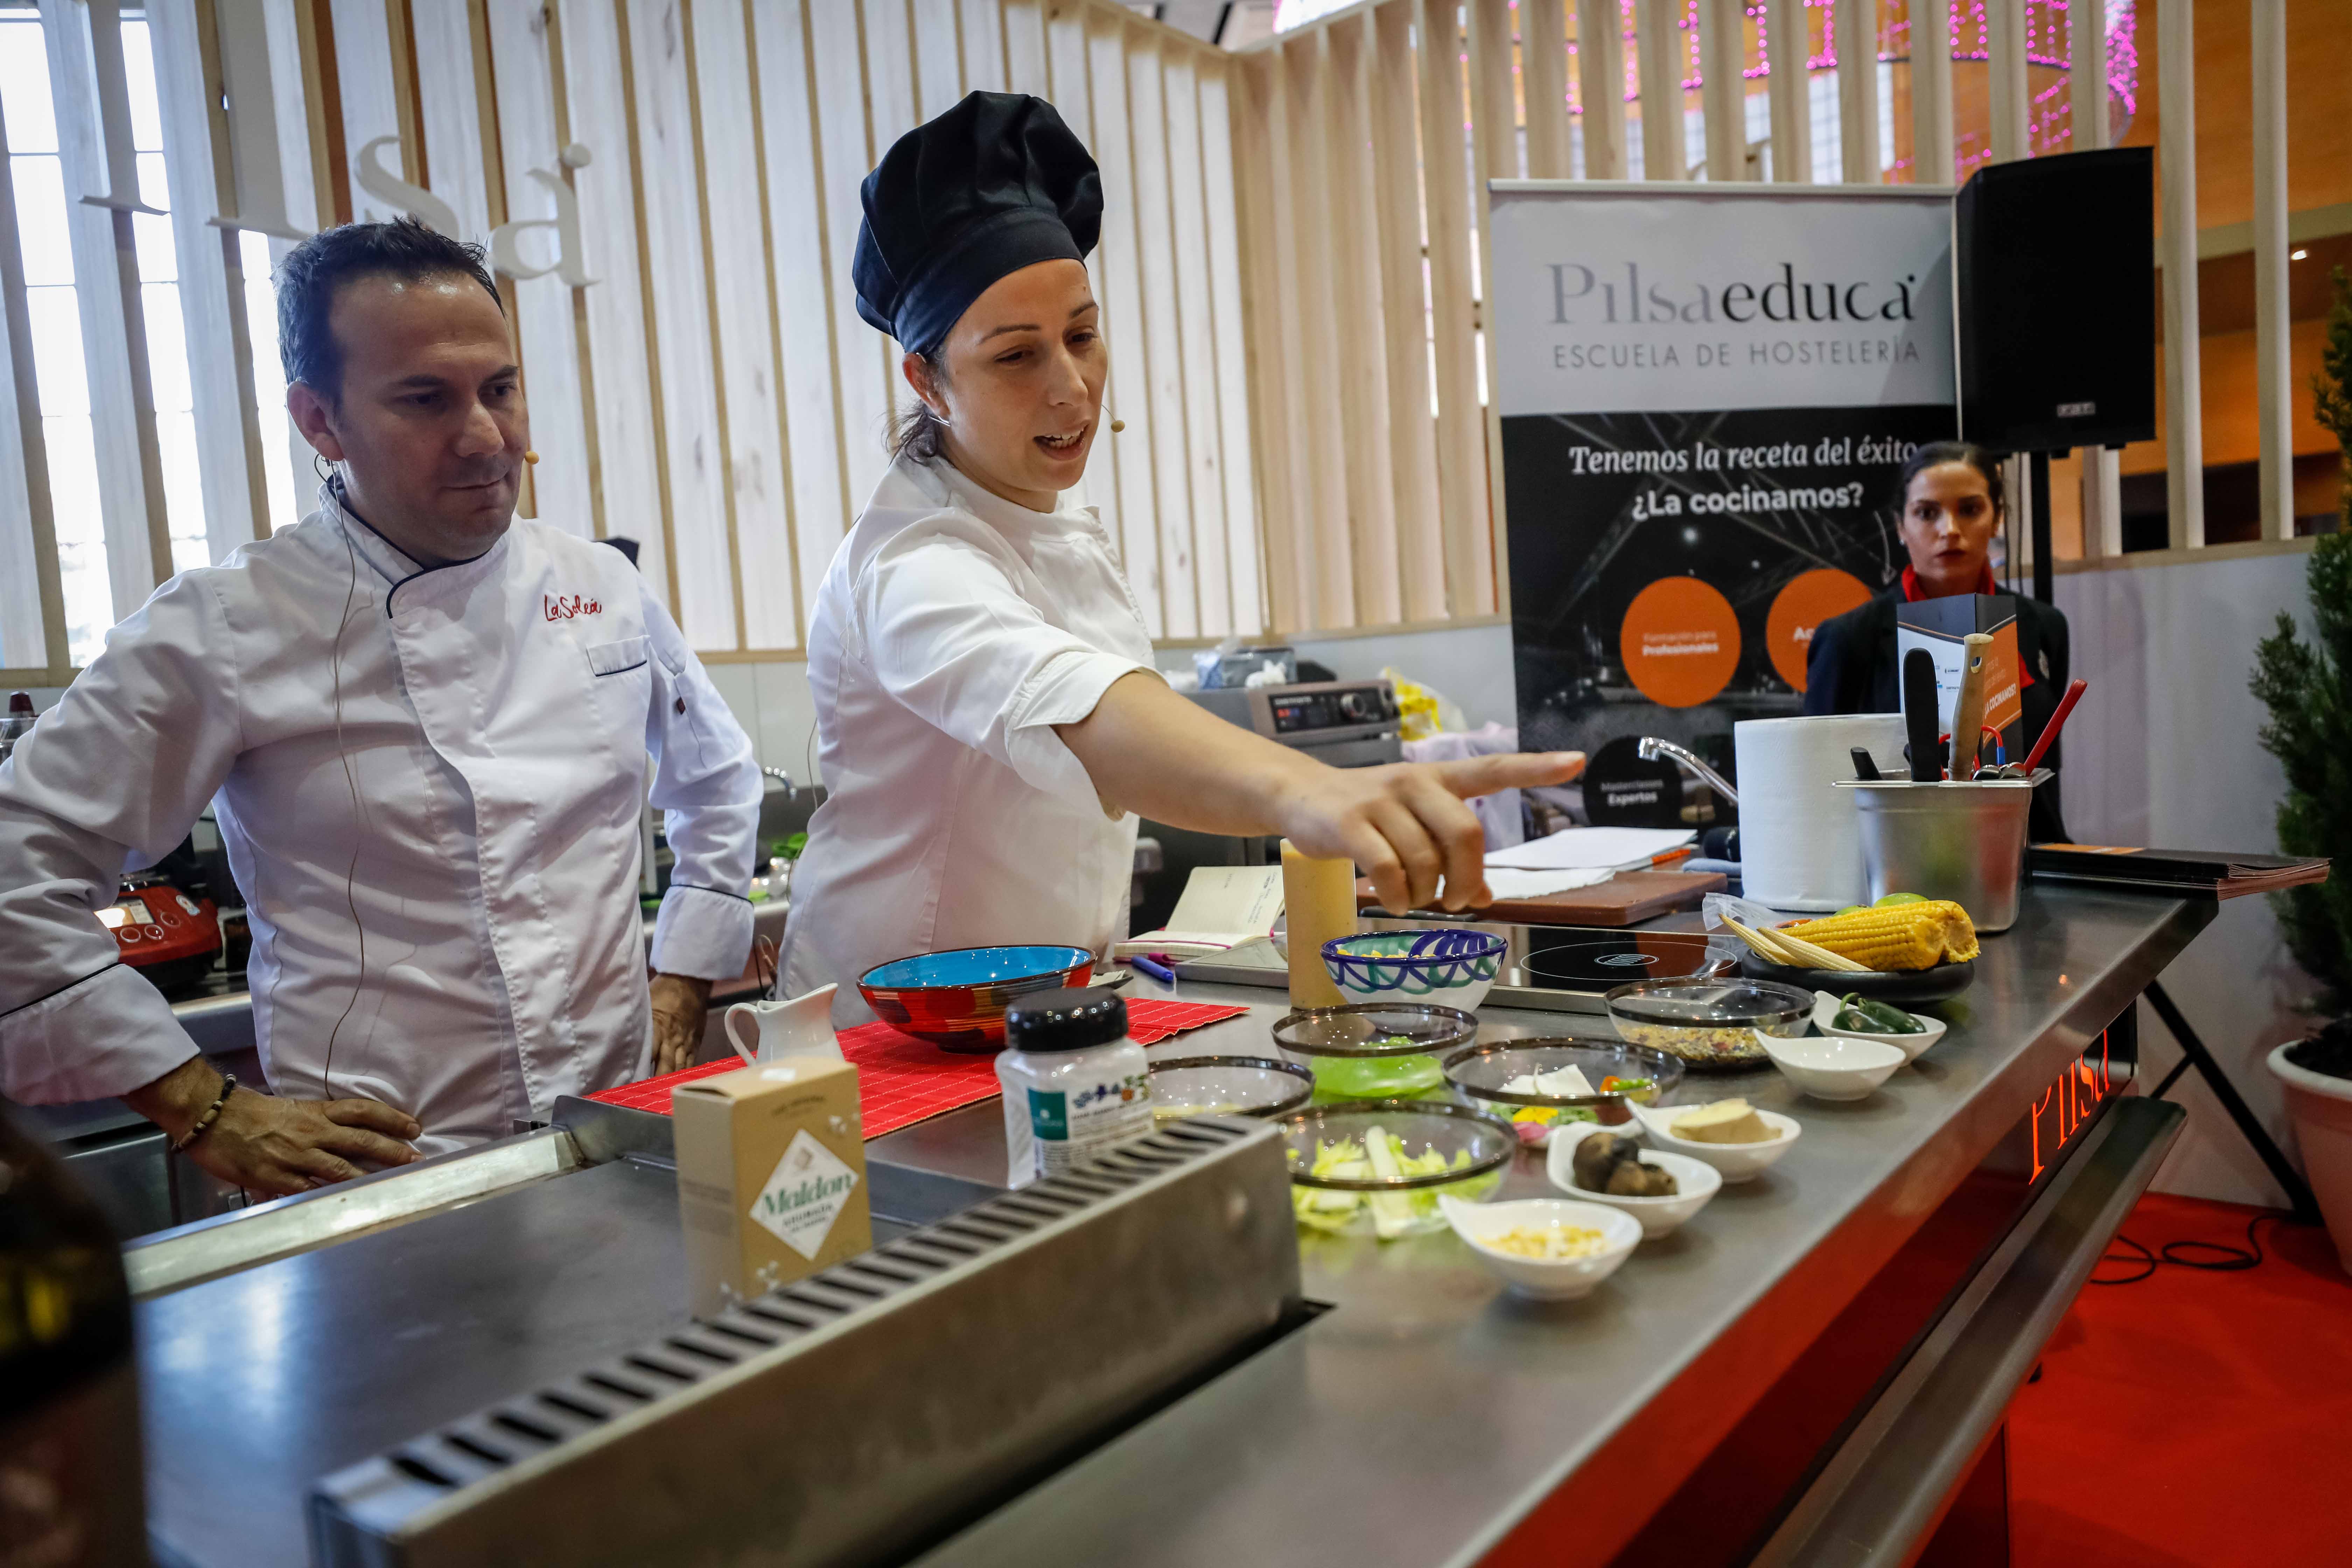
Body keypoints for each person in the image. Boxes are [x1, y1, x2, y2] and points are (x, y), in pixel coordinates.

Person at [784, 93, 1583, 1019]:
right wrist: (1308, 790)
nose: (1072, 387)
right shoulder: (911, 563)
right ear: (927, 380)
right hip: (887, 1038)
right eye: (1015, 358)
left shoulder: (1047, 514)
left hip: (1042, 1011)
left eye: (1082, 336)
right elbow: (1073, 706)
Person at [0, 219, 762, 1191]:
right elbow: (16, 876)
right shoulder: (228, 627)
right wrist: (205, 1108)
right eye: (424, 400)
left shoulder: (598, 583)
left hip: (614, 1139)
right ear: (320, 421)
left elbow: (719, 777)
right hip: (383, 1175)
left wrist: (684, 974)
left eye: (500, 389)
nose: (486, 437)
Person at [1804, 440, 2071, 838]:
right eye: (1927, 513)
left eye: (1970, 509)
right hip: (1901, 868)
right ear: (1900, 525)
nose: (1949, 530)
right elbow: (1818, 785)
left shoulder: (2044, 626)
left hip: (2035, 858)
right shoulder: (1849, 639)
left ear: (1997, 518)